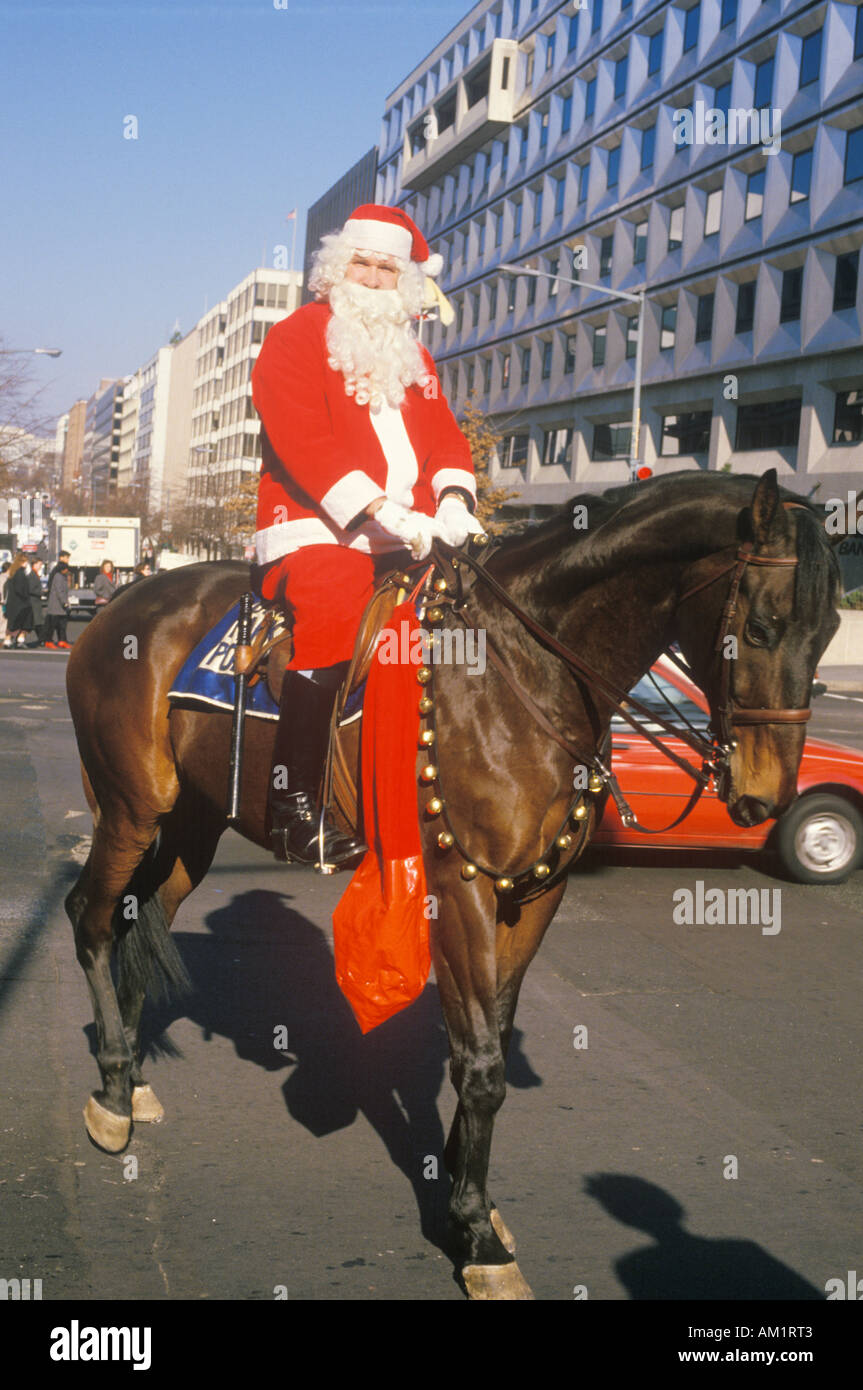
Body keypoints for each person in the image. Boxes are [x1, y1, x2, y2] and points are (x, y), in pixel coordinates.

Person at [252, 203, 484, 867]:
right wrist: (380, 510)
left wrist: (455, 499)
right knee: (332, 606)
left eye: (388, 267)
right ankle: (292, 806)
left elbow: (444, 437)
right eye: (363, 263)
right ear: (336, 266)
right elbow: (301, 439)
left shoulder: (413, 354)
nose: (376, 277)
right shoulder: (296, 336)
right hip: (315, 527)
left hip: (412, 533)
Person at [3, 553, 38, 647]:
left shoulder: (13, 573)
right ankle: (20, 640)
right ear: (22, 562)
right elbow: (21, 590)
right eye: (25, 561)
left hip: (13, 603)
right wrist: (26, 597)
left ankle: (8, 641)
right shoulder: (20, 573)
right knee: (25, 623)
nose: (27, 563)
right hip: (22, 604)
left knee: (12, 624)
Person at [43, 554, 72, 649]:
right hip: (56, 605)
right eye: (66, 569)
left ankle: (62, 640)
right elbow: (59, 591)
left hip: (60, 606)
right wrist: (65, 602)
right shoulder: (58, 577)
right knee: (52, 624)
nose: (67, 571)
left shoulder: (62, 576)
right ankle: (48, 641)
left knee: (62, 625)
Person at [0, 561, 10, 644]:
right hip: (3, 602)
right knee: (3, 620)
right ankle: (1, 639)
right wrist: (3, 601)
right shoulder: (5, 579)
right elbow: (2, 591)